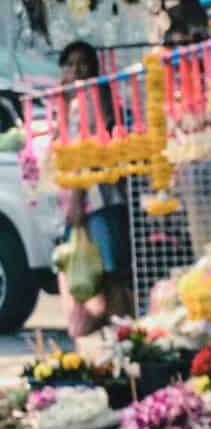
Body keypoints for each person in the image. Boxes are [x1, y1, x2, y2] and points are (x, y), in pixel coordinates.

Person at [54, 40, 134, 324]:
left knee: (110, 271)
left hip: (98, 198)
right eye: (70, 64)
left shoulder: (89, 99)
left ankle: (122, 333)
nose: (75, 70)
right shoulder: (69, 101)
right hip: (86, 200)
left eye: (82, 63)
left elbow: (83, 152)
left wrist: (75, 200)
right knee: (98, 272)